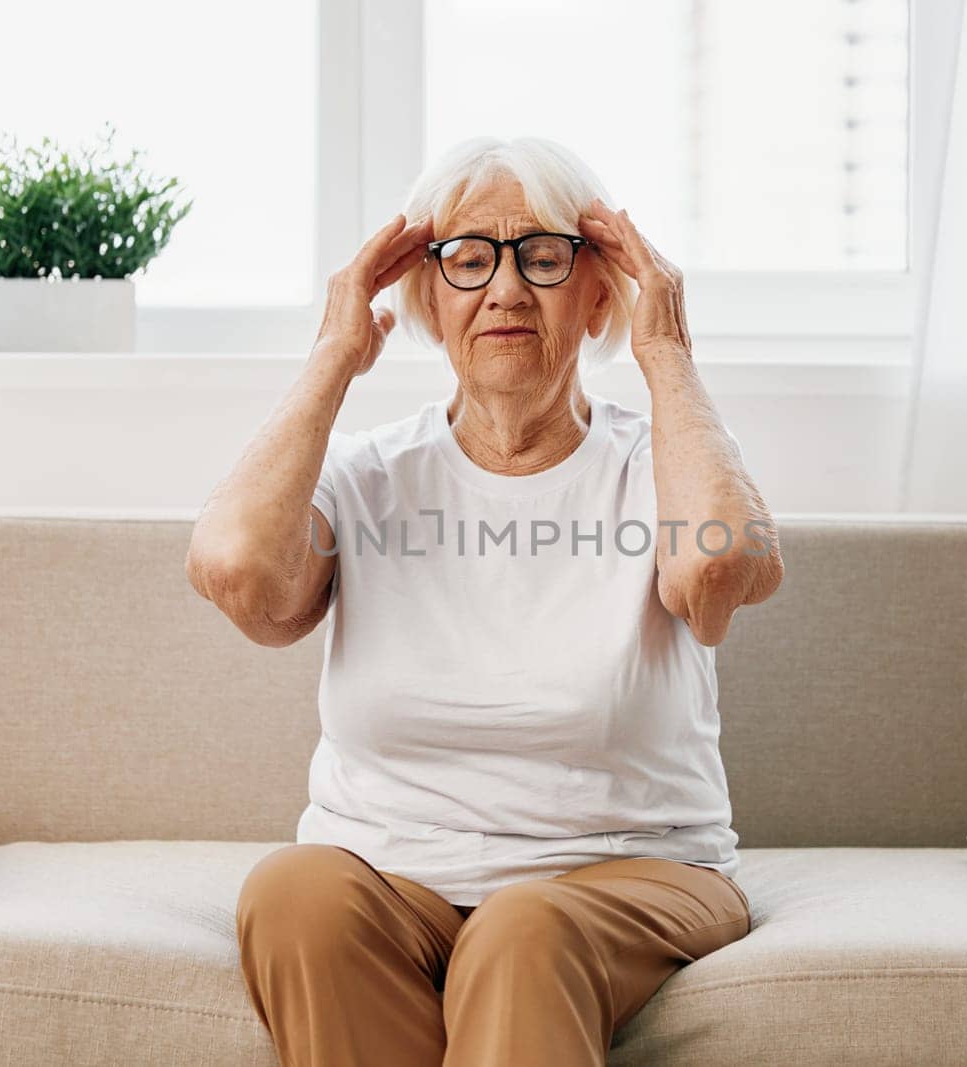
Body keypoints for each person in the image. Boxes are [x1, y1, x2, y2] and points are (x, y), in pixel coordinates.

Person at [186, 135, 784, 1067]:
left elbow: (718, 573)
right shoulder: (371, 475)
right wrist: (334, 356)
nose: (505, 289)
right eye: (467, 260)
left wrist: (665, 350)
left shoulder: (653, 469)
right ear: (427, 297)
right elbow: (236, 573)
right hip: (393, 875)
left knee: (522, 928)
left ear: (598, 296)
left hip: (631, 872)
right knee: (292, 892)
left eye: (543, 257)